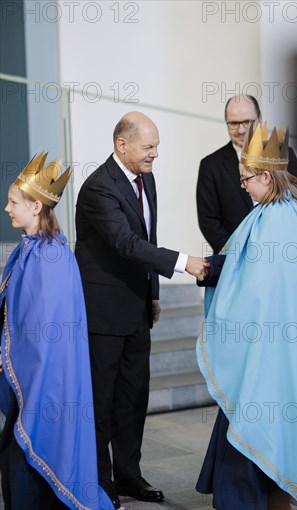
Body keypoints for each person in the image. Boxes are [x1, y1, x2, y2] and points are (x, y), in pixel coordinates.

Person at [74, 112, 206, 509]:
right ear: (122, 145)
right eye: (149, 147)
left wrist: (152, 293)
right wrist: (185, 262)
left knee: (133, 399)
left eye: (156, 145)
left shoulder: (145, 177)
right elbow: (127, 244)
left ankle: (129, 475)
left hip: (136, 309)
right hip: (103, 313)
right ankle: (100, 482)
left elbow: (149, 237)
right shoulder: (99, 187)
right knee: (102, 404)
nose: (156, 154)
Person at [195, 122, 297, 509]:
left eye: (246, 178)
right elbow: (245, 271)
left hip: (262, 346)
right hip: (275, 343)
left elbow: (252, 290)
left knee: (250, 418)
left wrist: (208, 272)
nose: (242, 185)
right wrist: (211, 270)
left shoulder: (275, 220)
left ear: (266, 175)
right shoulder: (285, 211)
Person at [0, 152, 114, 509]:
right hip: (28, 372)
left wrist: (9, 356)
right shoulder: (29, 249)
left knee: (26, 460)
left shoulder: (52, 256)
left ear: (36, 207)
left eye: (13, 202)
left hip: (45, 380)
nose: (7, 209)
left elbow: (46, 332)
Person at [196, 94, 297, 254]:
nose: (241, 130)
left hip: (282, 256)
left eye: (247, 122)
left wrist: (280, 247)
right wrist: (241, 254)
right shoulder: (211, 166)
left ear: (259, 119)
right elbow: (209, 223)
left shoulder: (284, 155)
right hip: (235, 261)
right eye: (234, 123)